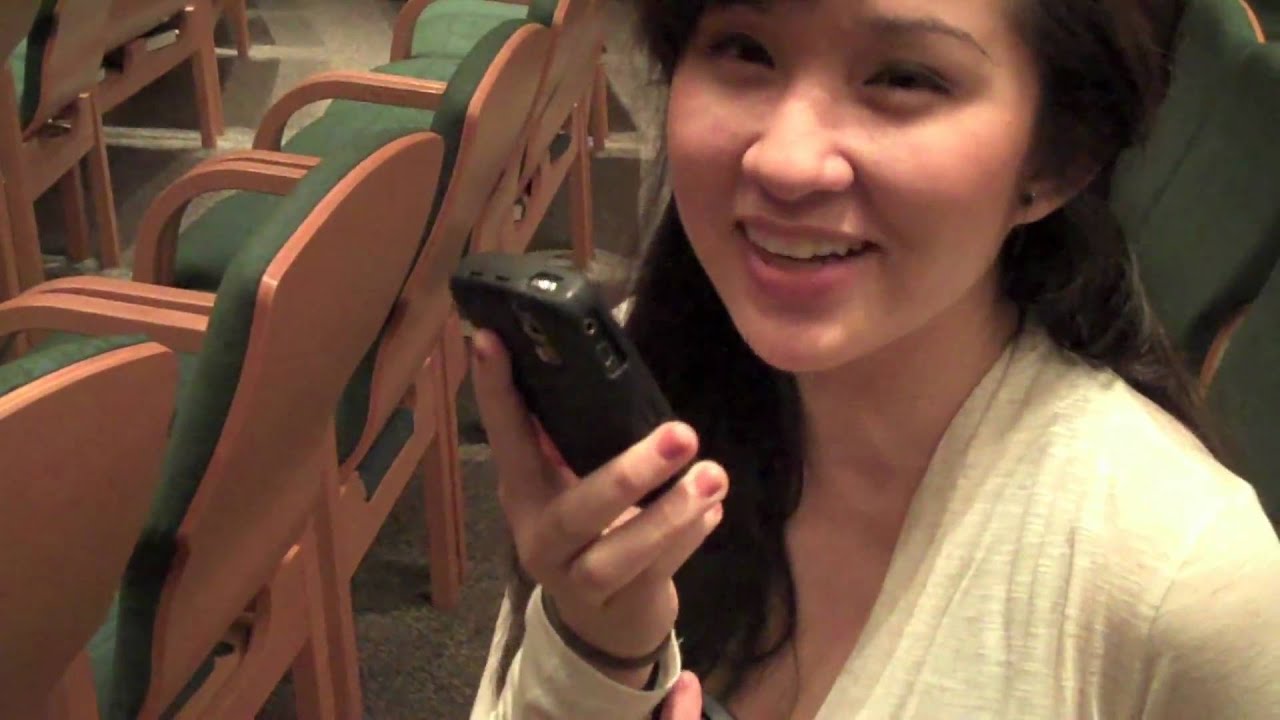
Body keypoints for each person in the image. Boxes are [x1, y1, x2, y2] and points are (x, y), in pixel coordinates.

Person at [468, 0, 1280, 717]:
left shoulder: (1180, 582)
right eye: (746, 49)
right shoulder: (646, 371)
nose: (785, 161)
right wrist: (596, 651)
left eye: (904, 78)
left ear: (1057, 160)